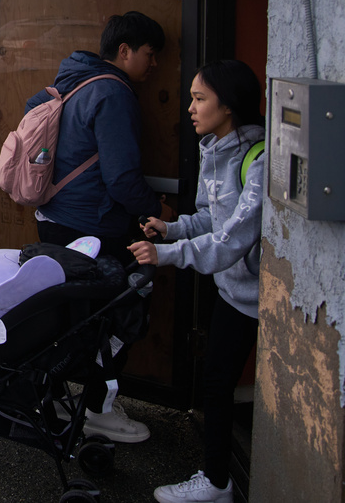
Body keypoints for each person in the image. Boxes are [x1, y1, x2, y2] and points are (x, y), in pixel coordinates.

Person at [21, 11, 170, 443]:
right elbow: (122, 178)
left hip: (54, 222)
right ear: (124, 51)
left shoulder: (71, 80)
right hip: (95, 228)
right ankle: (99, 410)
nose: (154, 64)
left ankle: (53, 395)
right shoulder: (113, 92)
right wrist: (155, 208)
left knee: (71, 316)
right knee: (117, 315)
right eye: (150, 53)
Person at [129, 60, 265, 503]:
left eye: (200, 98)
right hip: (232, 291)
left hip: (260, 299)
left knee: (228, 384)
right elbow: (212, 217)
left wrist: (165, 253)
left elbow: (231, 240)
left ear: (228, 105)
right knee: (216, 381)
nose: (190, 107)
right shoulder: (215, 146)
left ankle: (216, 482)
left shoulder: (259, 163)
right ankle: (217, 479)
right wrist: (173, 228)